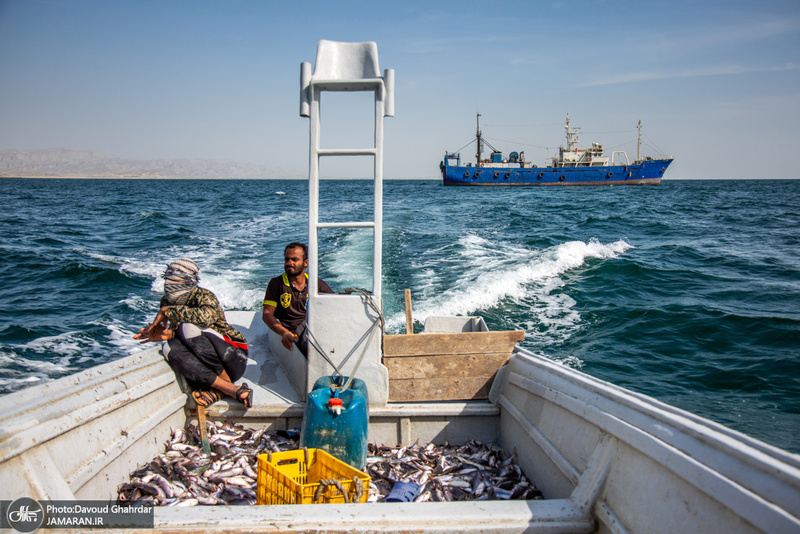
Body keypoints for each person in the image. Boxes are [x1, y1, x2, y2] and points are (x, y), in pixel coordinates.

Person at [134, 258, 252, 408]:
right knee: (168, 348)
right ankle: (228, 389)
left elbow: (204, 319)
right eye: (168, 277)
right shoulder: (167, 301)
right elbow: (183, 338)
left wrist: (168, 311)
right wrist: (167, 335)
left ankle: (223, 387)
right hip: (208, 368)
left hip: (233, 357)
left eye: (175, 277)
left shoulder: (204, 296)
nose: (169, 282)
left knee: (187, 327)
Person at [262, 242, 333, 356]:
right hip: (295, 334)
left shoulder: (316, 284)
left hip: (315, 328)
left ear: (305, 263)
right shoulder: (276, 284)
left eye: (294, 259)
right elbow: (267, 314)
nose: (289, 263)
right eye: (287, 259)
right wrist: (284, 332)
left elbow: (334, 305)